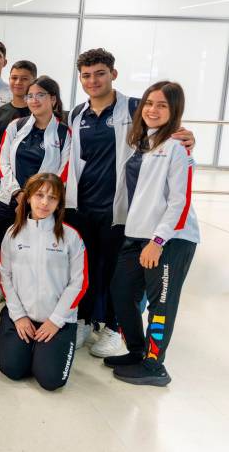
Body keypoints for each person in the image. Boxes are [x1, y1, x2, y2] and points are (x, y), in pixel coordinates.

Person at [66, 48, 195, 356]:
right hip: (85, 205)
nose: (93, 80)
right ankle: (85, 320)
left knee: (117, 275)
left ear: (113, 73)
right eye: (86, 75)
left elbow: (171, 132)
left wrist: (189, 136)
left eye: (100, 73)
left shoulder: (137, 107)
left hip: (123, 211)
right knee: (86, 269)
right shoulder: (77, 114)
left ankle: (113, 328)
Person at [105, 81, 199, 387]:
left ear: (174, 112)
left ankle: (155, 365)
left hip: (170, 239)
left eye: (162, 105)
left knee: (162, 303)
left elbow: (179, 202)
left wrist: (158, 242)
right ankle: (137, 351)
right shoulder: (142, 142)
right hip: (136, 233)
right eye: (149, 103)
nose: (153, 110)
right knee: (121, 291)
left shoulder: (176, 147)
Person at [0, 173, 87, 391]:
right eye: (39, 195)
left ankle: (43, 353)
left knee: (50, 380)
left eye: (52, 198)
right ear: (28, 198)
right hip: (22, 317)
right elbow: (4, 276)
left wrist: (56, 320)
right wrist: (18, 316)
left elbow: (79, 283)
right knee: (13, 370)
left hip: (57, 320)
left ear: (59, 204)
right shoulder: (12, 233)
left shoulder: (71, 236)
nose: (45, 202)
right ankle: (30, 350)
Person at [0, 75, 71, 263]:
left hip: (41, 206)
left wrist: (35, 197)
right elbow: (3, 164)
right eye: (30, 96)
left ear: (53, 99)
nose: (33, 100)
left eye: (40, 95)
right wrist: (18, 193)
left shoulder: (63, 133)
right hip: (9, 201)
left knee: (31, 258)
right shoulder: (15, 126)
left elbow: (63, 172)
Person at [0, 60, 36, 214]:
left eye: (24, 78)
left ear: (34, 81)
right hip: (0, 186)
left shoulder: (38, 115)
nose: (18, 82)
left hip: (31, 188)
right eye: (14, 77)